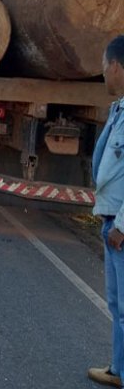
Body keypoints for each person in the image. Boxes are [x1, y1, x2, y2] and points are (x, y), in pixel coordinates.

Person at [89, 35, 124, 388]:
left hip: (121, 227)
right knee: (117, 304)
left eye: (103, 68)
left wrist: (122, 225)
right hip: (111, 219)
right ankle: (118, 370)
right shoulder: (119, 110)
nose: (102, 74)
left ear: (116, 66)